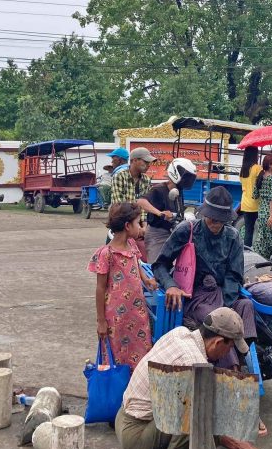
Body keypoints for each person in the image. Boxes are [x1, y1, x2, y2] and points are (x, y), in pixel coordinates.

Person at [115, 307, 268, 449]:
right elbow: (201, 414)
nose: (228, 353)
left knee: (199, 407)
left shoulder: (180, 333)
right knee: (194, 414)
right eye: (230, 347)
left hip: (124, 418)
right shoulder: (192, 362)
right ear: (218, 342)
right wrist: (235, 444)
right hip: (136, 436)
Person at [152, 186, 257, 369]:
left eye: (220, 220)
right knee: (216, 321)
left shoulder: (232, 236)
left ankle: (247, 358)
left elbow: (234, 276)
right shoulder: (187, 230)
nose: (215, 224)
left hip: (223, 295)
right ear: (205, 214)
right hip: (196, 296)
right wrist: (171, 285)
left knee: (246, 306)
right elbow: (160, 265)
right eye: (212, 219)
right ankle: (231, 368)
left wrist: (226, 307)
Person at [88, 203, 157, 372]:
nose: (140, 227)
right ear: (127, 226)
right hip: (116, 319)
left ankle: (134, 386)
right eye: (138, 223)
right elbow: (100, 289)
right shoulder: (106, 254)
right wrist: (101, 321)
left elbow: (136, 263)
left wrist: (146, 279)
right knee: (116, 354)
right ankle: (118, 389)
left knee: (139, 351)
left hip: (137, 313)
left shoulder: (132, 245)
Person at [136, 158, 197, 263]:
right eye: (185, 177)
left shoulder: (178, 191)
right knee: (156, 266)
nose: (187, 180)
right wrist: (159, 213)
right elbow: (141, 202)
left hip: (172, 232)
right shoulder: (159, 189)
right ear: (175, 172)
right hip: (157, 234)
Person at [112, 147, 157, 260]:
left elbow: (146, 205)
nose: (148, 165)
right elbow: (119, 206)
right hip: (123, 224)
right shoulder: (120, 177)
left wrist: (145, 226)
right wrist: (136, 227)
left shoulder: (146, 180)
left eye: (149, 163)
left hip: (140, 225)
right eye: (145, 162)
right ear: (134, 160)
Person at [239, 147, 262, 248]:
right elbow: (261, 183)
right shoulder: (257, 168)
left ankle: (246, 250)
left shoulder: (243, 170)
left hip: (245, 202)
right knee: (262, 231)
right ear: (255, 155)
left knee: (249, 230)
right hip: (256, 203)